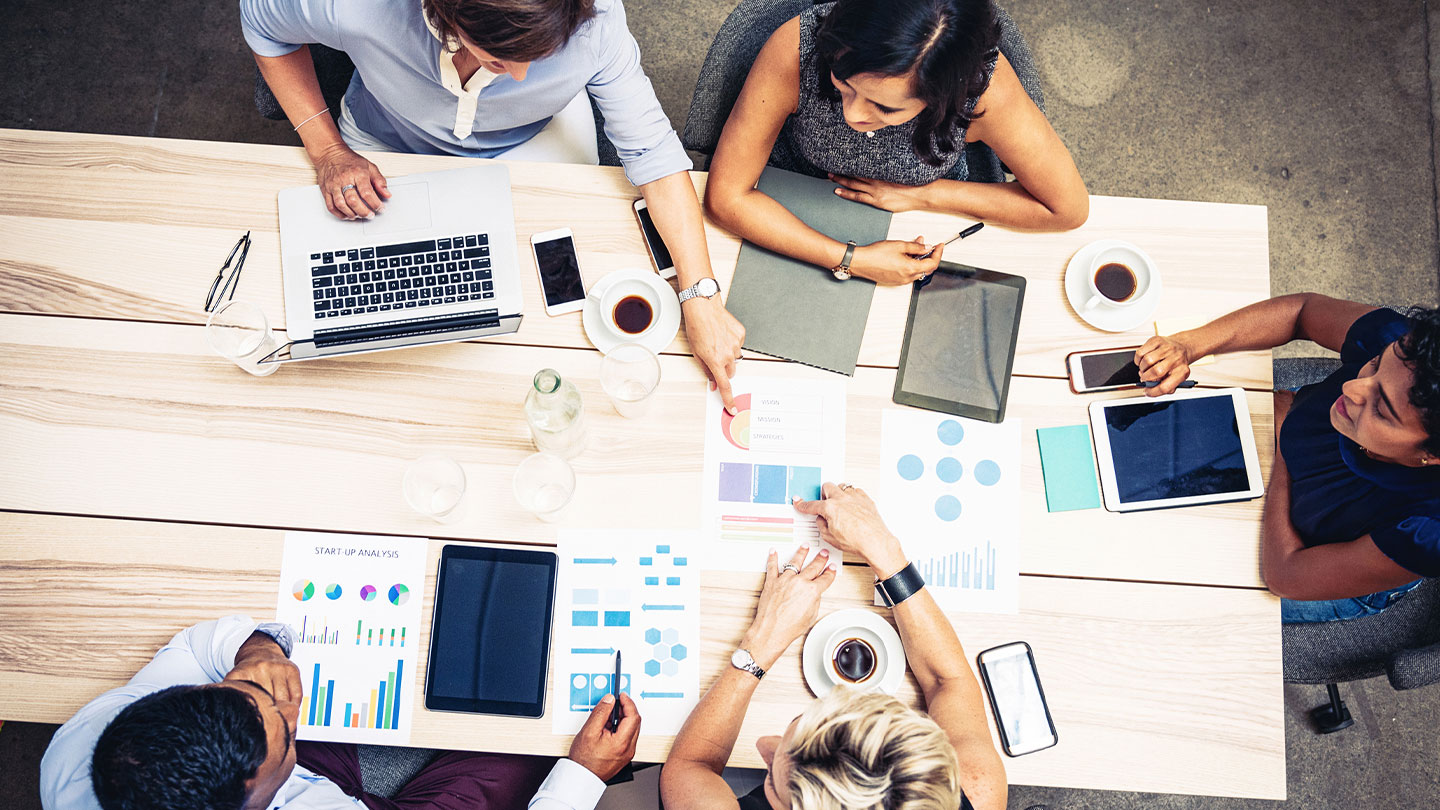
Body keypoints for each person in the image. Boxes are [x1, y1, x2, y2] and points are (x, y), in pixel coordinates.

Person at [239, 0, 745, 410]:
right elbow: (263, 24)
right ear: (445, 12)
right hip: (381, 142)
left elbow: (653, 154)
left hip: (532, 140)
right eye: (500, 59)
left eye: (542, 55)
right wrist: (327, 150)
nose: (523, 77)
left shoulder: (596, 23)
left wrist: (699, 293)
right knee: (367, 309)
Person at [40, 616, 641, 810]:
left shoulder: (86, 742)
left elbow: (198, 645)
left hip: (317, 782)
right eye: (286, 731)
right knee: (522, 753)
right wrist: (585, 774)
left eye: (249, 692)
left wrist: (256, 653)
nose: (286, 696)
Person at [660, 484, 1007, 810]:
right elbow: (949, 680)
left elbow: (690, 765)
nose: (765, 744)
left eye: (773, 781)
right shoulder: (976, 790)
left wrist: (763, 640)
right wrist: (884, 550)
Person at [704, 0, 1088, 286]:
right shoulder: (797, 49)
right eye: (844, 83)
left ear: (941, 98)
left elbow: (1067, 208)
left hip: (919, 218)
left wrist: (923, 195)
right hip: (792, 191)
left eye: (884, 107)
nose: (853, 115)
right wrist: (851, 260)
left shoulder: (985, 91)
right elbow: (726, 197)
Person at [1136, 295, 1440, 623]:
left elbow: (1285, 575)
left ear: (1431, 456)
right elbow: (1301, 312)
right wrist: (1189, 345)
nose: (1351, 387)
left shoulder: (1427, 530)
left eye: (1381, 409)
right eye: (1376, 362)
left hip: (1305, 561)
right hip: (1282, 438)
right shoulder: (1407, 354)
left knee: (1174, 597)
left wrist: (1281, 444)